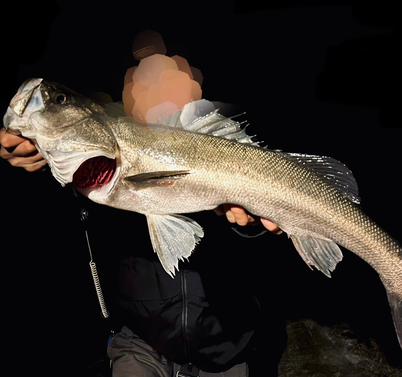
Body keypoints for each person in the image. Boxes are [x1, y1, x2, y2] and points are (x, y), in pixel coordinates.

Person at [0, 126, 287, 377]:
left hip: (229, 341)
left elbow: (267, 247)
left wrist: (255, 226)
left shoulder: (219, 122)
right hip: (140, 340)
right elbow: (42, 223)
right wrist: (34, 167)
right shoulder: (112, 128)